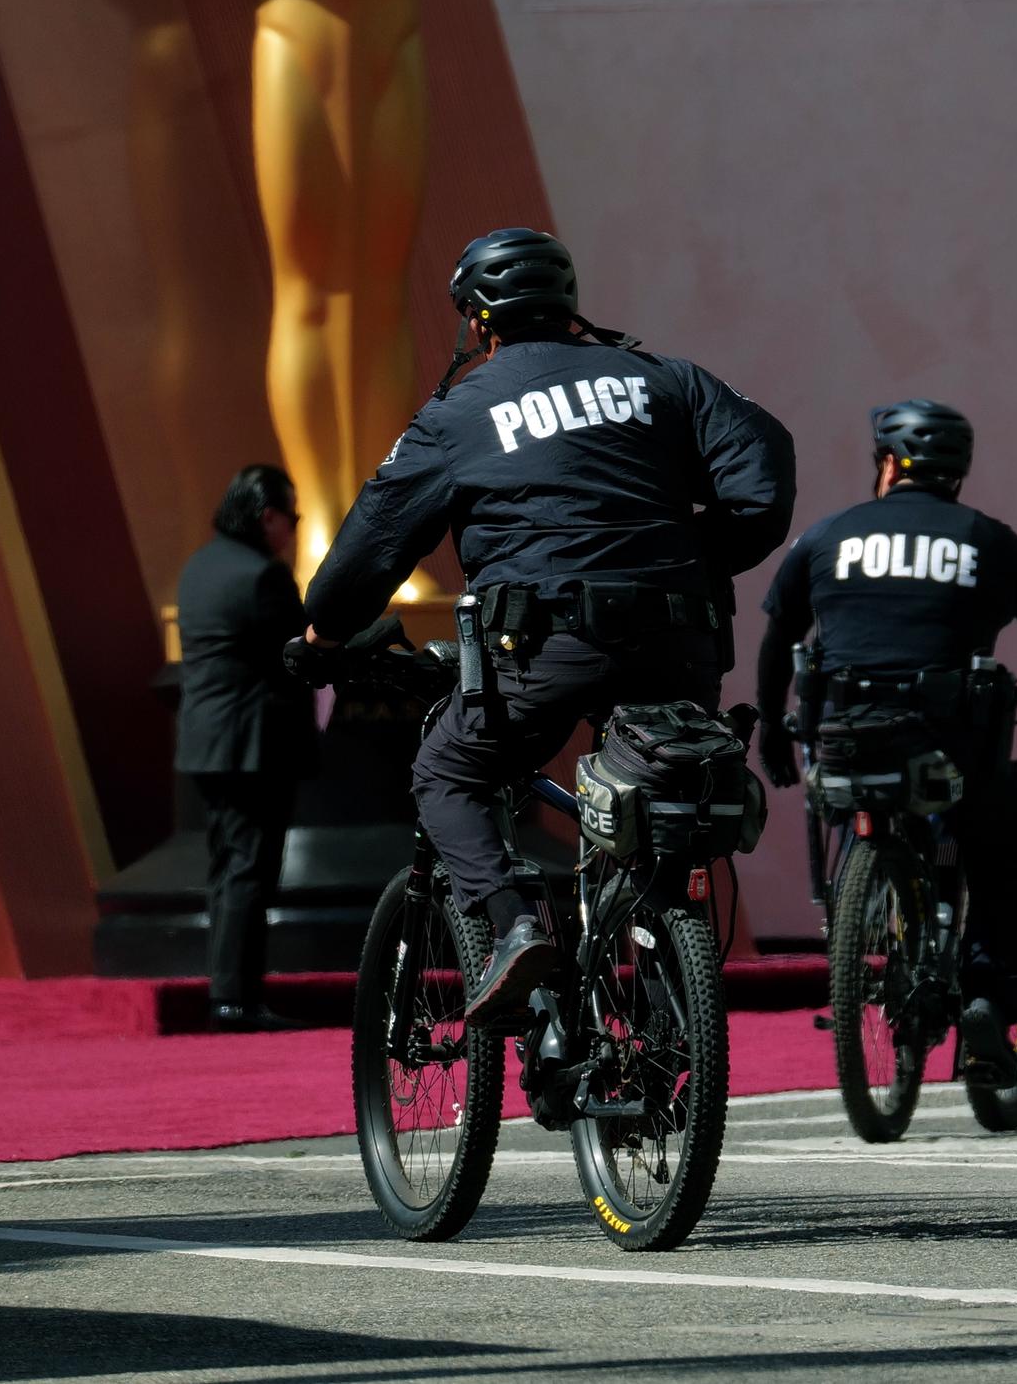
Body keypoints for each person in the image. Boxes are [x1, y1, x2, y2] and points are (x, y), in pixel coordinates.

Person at [299, 228, 796, 1025]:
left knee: (447, 772)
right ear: (567, 304)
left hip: (543, 646)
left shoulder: (460, 411)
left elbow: (377, 536)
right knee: (655, 790)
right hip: (681, 639)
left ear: (478, 321)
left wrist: (324, 630)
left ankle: (516, 921)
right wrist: (688, 561)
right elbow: (763, 481)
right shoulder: (665, 378)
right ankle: (663, 996)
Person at [756, 400, 1017, 1080]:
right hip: (952, 749)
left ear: (890, 463)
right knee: (1004, 849)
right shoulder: (988, 540)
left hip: (843, 738)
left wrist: (775, 736)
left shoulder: (827, 536)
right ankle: (989, 997)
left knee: (863, 802)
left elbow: (780, 636)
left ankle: (866, 935)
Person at [175, 464, 314, 1031]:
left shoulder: (200, 565)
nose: (295, 530)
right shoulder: (264, 575)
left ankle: (230, 992)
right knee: (250, 870)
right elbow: (299, 652)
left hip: (207, 741)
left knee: (227, 869)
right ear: (269, 517)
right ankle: (235, 1000)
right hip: (252, 745)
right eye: (294, 518)